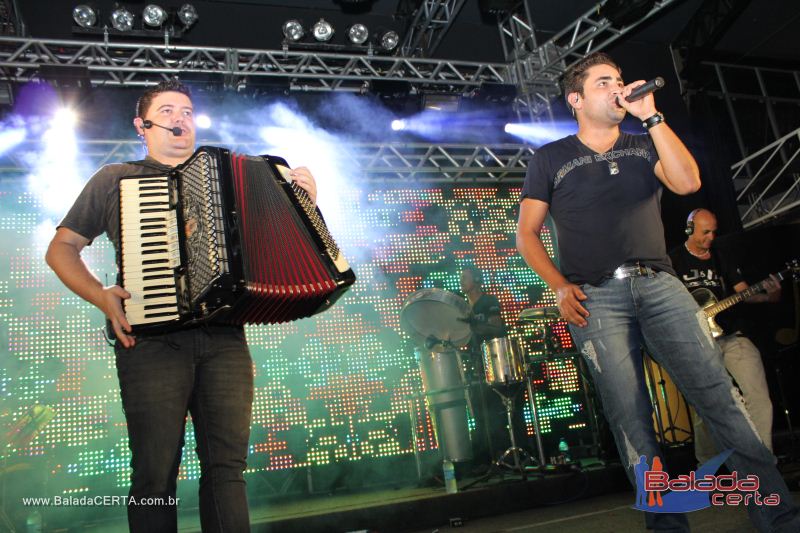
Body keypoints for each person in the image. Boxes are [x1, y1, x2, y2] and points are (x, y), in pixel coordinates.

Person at [515, 51, 799, 531]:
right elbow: (526, 233)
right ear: (577, 98)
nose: (618, 87)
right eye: (605, 81)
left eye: (620, 79)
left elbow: (689, 181)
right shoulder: (551, 158)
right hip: (596, 297)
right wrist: (559, 286)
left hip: (661, 287)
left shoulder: (643, 144)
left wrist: (652, 116)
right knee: (631, 420)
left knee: (720, 400)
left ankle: (780, 518)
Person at [45, 80, 318, 532]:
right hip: (152, 344)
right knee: (155, 475)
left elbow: (280, 246)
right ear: (143, 125)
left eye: (188, 112)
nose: (181, 119)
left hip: (224, 339)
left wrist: (305, 203)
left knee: (227, 470)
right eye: (169, 110)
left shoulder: (230, 182)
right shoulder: (116, 178)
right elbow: (61, 249)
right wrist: (101, 295)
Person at [670, 208, 780, 463]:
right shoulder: (673, 261)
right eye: (705, 232)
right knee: (707, 407)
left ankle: (762, 461)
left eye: (714, 231)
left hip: (731, 335)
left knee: (758, 397)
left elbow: (743, 292)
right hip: (697, 343)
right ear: (689, 230)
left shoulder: (721, 256)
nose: (711, 237)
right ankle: (708, 470)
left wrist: (767, 295)